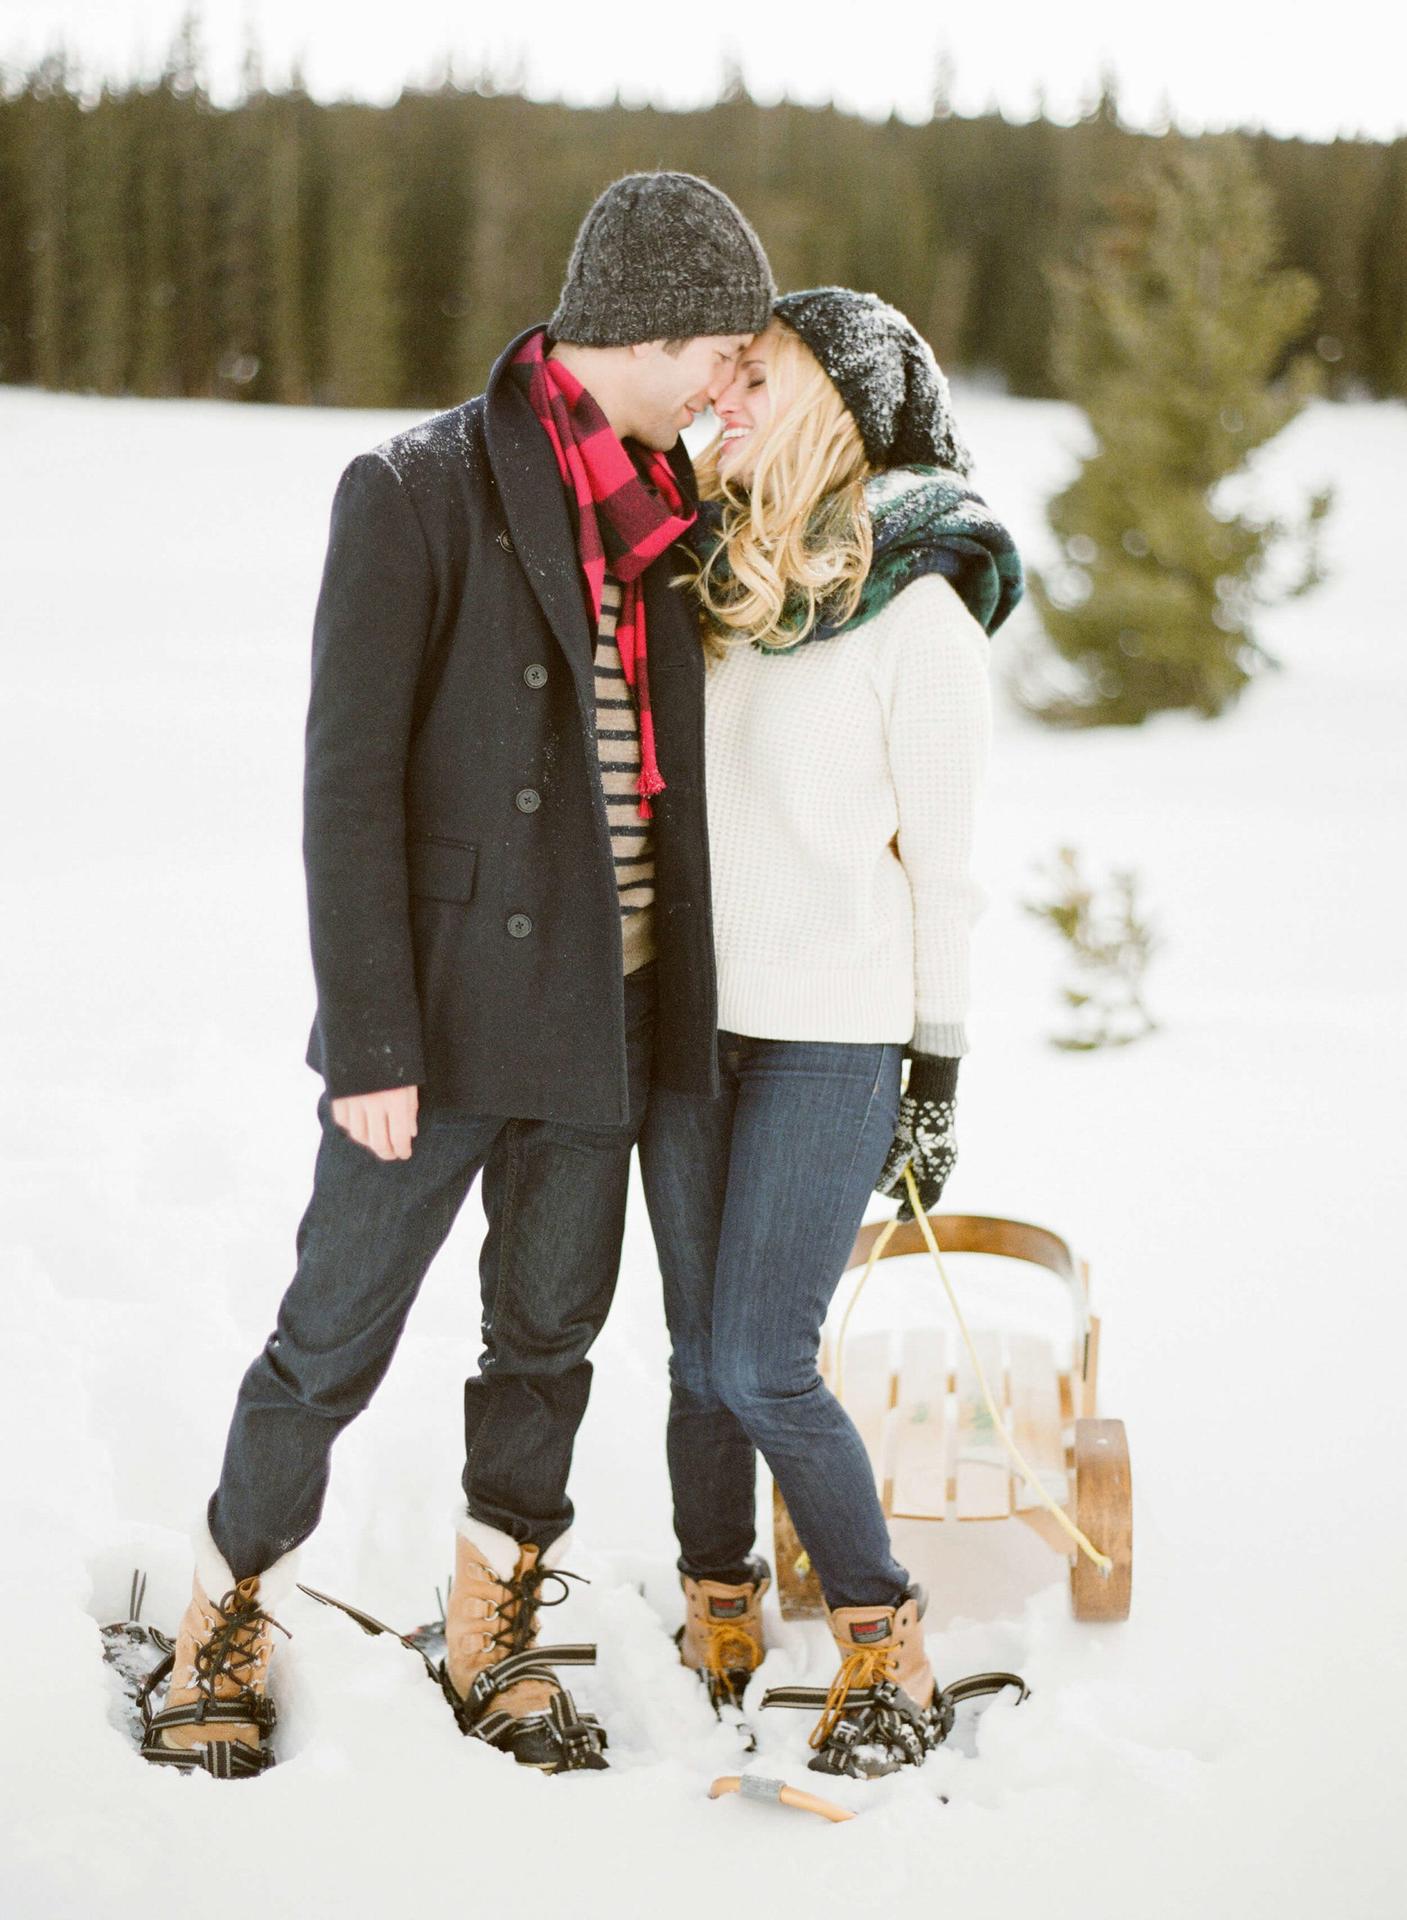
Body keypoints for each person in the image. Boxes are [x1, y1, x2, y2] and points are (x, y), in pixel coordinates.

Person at [141, 172, 775, 1779]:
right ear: (647, 326)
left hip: (611, 1016)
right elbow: (346, 786)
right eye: (719, 348)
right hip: (434, 1025)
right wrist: (371, 1039)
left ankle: (492, 1616)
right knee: (328, 1342)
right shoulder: (417, 486)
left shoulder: (674, 510)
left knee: (547, 1341)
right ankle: (224, 1609)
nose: (727, 383)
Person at [638, 288, 1023, 1778]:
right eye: (725, 377)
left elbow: (947, 872)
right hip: (689, 1028)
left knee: (762, 1362)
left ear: (839, 407)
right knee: (693, 1360)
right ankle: (718, 1609)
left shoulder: (918, 615)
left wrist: (936, 1071)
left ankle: (884, 1641)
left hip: (833, 1043)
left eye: (761, 378)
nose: (726, 400)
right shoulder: (711, 583)